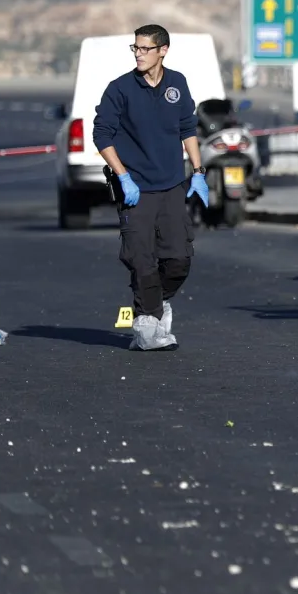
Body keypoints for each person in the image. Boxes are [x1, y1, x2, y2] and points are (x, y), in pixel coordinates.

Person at [92, 24, 209, 351]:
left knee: (179, 260)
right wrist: (123, 176)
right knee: (140, 259)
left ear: (163, 50)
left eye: (145, 49)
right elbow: (101, 135)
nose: (139, 54)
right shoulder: (120, 89)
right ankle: (147, 322)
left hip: (171, 186)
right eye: (135, 48)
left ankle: (157, 303)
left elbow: (188, 129)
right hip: (136, 189)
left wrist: (198, 172)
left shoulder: (177, 83)